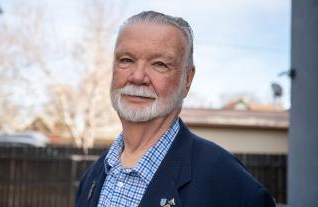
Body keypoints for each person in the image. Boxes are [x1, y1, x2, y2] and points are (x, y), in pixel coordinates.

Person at [75, 11, 276, 207]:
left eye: (159, 64)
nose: (137, 77)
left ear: (187, 79)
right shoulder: (92, 177)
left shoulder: (233, 188)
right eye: (126, 60)